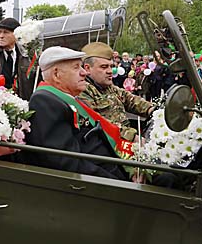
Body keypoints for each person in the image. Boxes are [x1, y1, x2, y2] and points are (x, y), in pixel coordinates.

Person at [21, 46, 127, 180]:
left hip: (113, 167)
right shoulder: (45, 101)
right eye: (76, 67)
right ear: (56, 75)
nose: (84, 73)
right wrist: (117, 182)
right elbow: (67, 162)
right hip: (104, 181)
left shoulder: (64, 98)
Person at [79, 42, 154, 142]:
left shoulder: (108, 87)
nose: (110, 71)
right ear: (87, 68)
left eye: (111, 66)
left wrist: (153, 110)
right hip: (110, 146)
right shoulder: (82, 91)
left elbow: (130, 99)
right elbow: (99, 122)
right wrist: (135, 139)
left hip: (124, 141)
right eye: (104, 67)